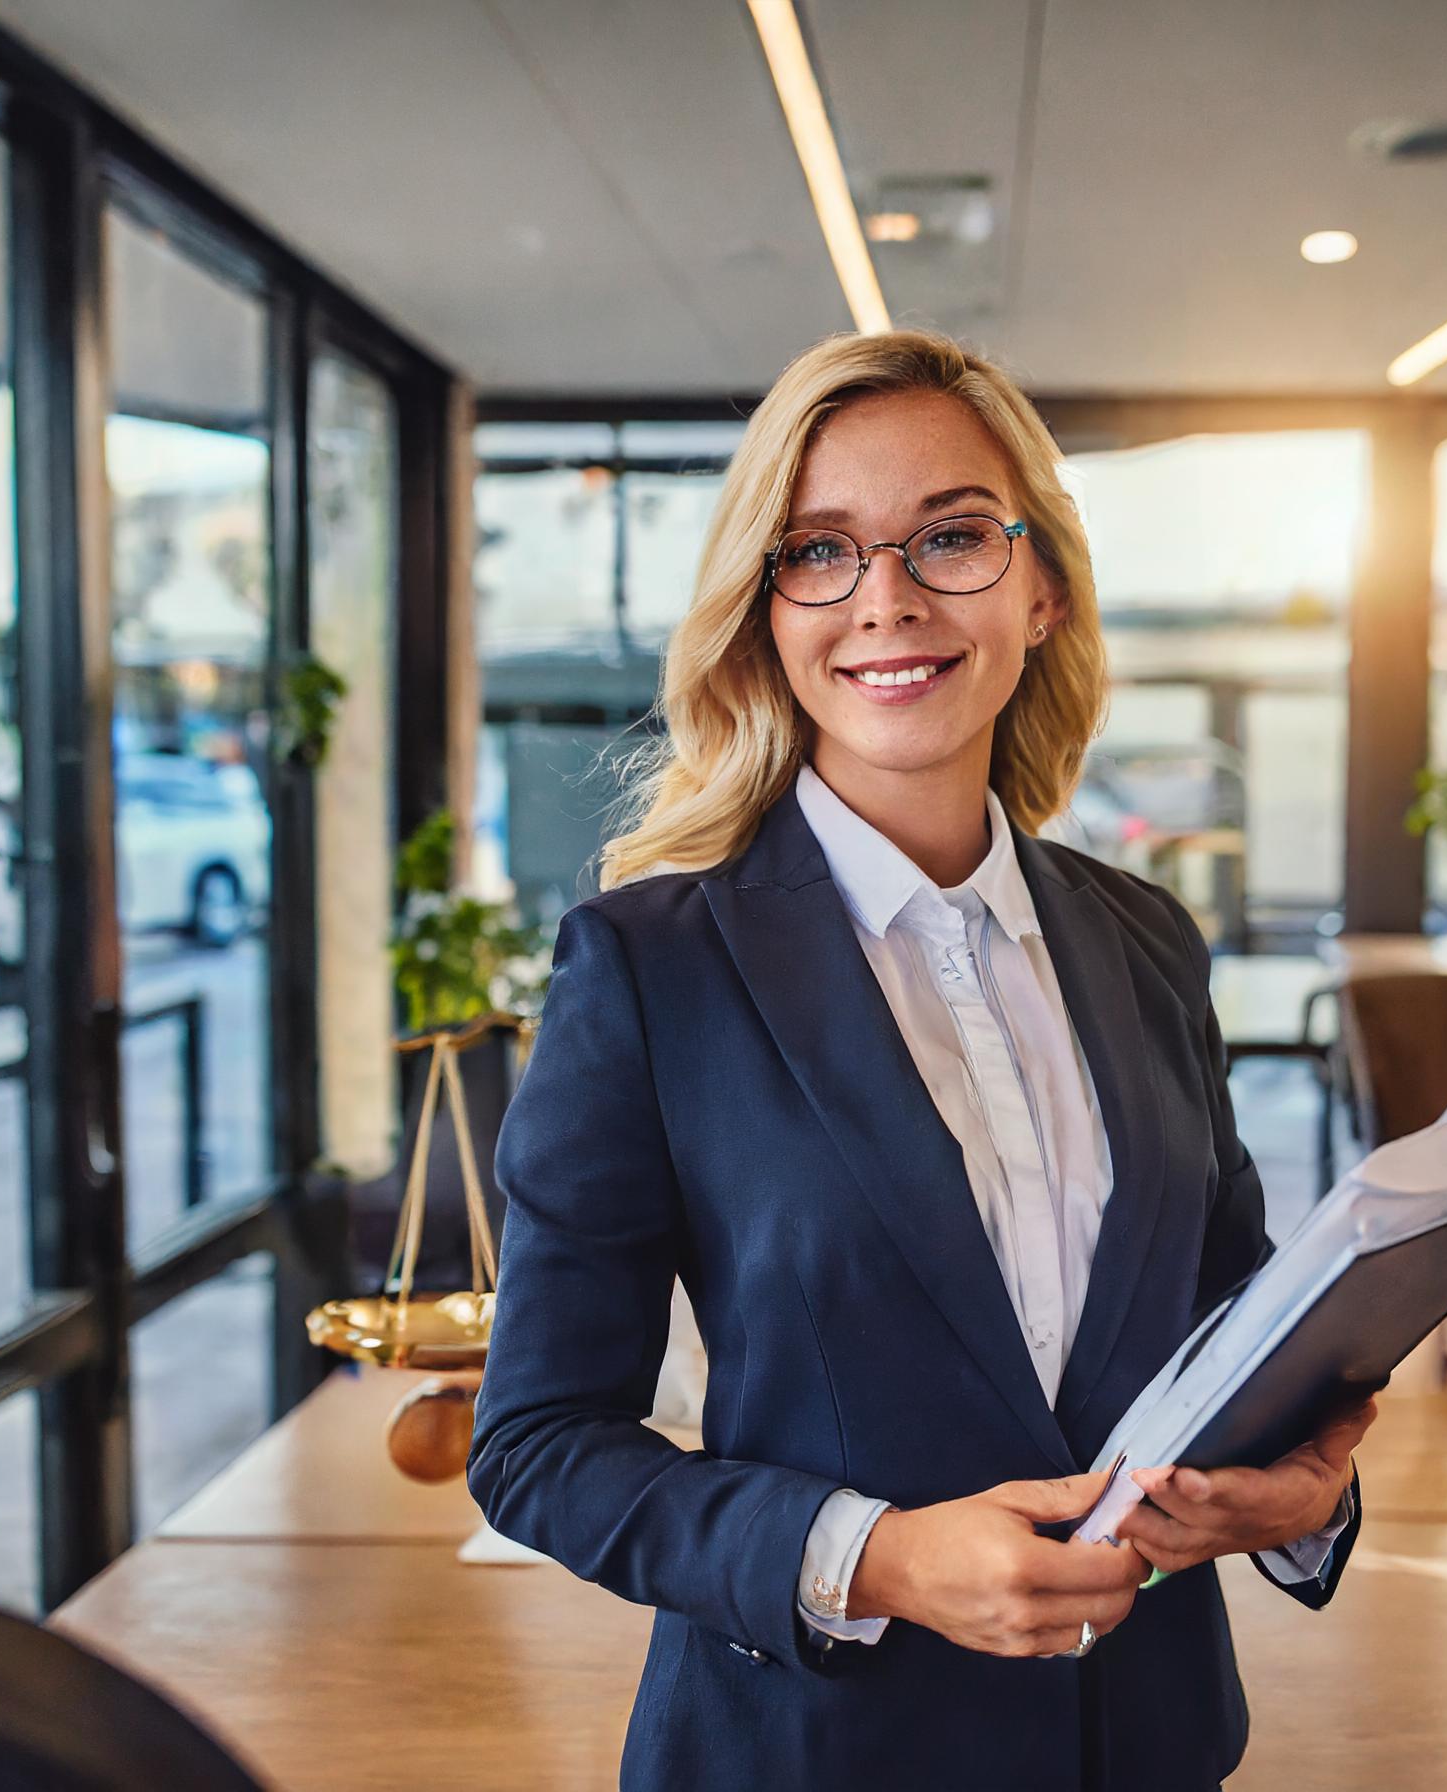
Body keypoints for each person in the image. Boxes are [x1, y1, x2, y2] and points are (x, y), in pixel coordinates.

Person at [467, 329, 1374, 1791]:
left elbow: (1232, 1320)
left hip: (1147, 1742)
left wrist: (1306, 1486)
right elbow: (539, 1447)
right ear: (767, 613)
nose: (885, 598)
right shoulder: (648, 968)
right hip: (814, 1751)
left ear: (1042, 588)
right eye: (819, 551)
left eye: (950, 537)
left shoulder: (1149, 943)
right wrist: (877, 1559)